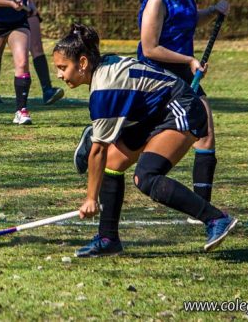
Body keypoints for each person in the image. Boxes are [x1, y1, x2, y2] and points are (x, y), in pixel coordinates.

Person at [76, 0, 228, 224]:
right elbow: (149, 48)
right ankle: (99, 136)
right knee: (135, 151)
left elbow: (189, 20)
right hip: (156, 78)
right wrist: (189, 60)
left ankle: (203, 209)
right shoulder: (157, 1)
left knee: (206, 134)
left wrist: (213, 12)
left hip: (182, 75)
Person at [53, 24, 238, 257]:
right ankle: (108, 239)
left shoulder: (103, 91)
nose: (59, 75)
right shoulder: (104, 65)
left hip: (180, 108)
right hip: (151, 114)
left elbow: (98, 152)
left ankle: (216, 219)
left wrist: (91, 199)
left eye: (63, 68)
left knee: (146, 176)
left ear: (82, 63)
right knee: (112, 164)